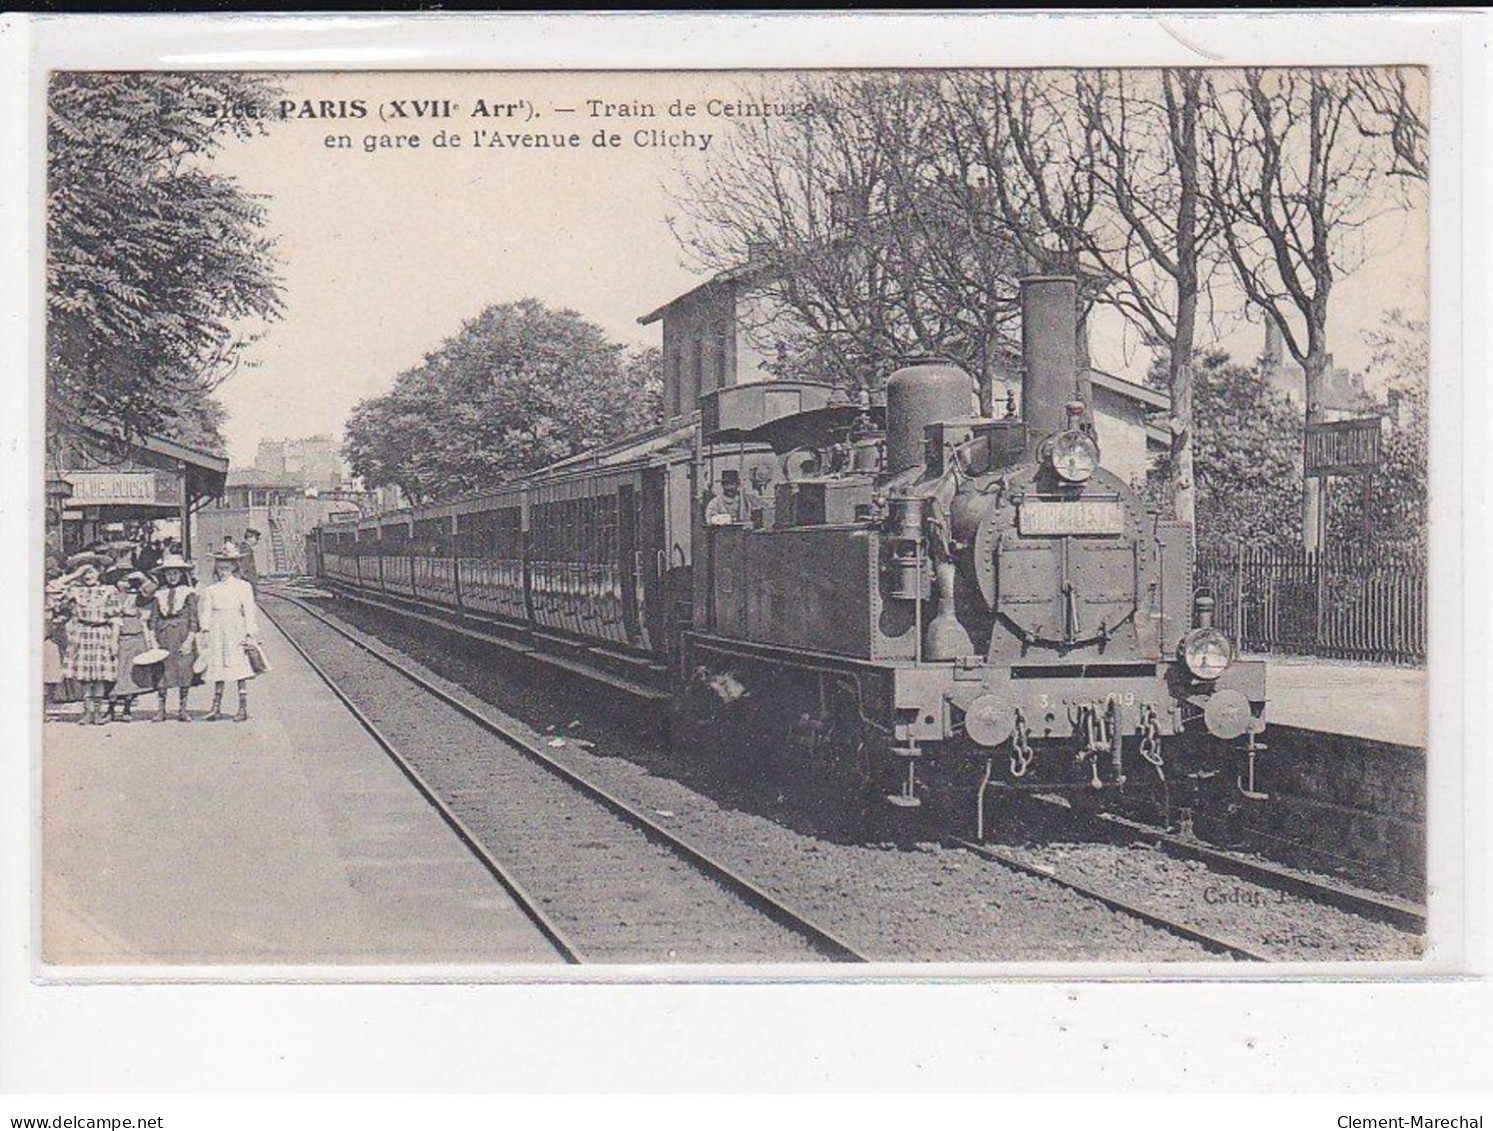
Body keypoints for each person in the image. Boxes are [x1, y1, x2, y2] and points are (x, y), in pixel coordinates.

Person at [198, 544, 263, 722]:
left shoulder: (243, 586)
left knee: (239, 667)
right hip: (218, 629)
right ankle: (216, 707)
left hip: (236, 628)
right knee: (219, 665)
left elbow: (249, 610)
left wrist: (250, 632)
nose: (223, 571)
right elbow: (207, 611)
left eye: (227, 568)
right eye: (220, 568)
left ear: (234, 567)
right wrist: (205, 629)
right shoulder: (212, 589)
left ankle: (242, 707)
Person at [60, 559, 123, 725]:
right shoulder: (76, 590)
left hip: (102, 634)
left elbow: (116, 618)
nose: (89, 576)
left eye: (92, 571)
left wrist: (114, 640)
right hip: (83, 634)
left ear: (99, 573)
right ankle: (87, 713)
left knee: (99, 678)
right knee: (86, 678)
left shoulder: (108, 590)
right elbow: (53, 588)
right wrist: (75, 574)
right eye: (85, 573)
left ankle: (97, 713)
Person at [144, 553, 200, 722]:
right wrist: (153, 639)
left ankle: (182, 709)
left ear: (181, 574)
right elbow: (153, 618)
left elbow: (193, 618)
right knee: (162, 671)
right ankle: (161, 709)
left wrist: (190, 639)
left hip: (182, 634)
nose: (172, 577)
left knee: (184, 670)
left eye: (175, 573)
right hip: (164, 635)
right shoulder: (159, 594)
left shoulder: (188, 593)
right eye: (169, 574)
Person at [106, 571, 154, 722]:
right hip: (121, 638)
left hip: (137, 638)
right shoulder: (112, 596)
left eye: (128, 580)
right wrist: (114, 641)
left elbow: (151, 590)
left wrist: (143, 577)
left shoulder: (139, 596)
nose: (124, 584)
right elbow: (114, 620)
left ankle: (127, 708)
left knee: (131, 676)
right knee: (117, 675)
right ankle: (111, 709)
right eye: (121, 580)